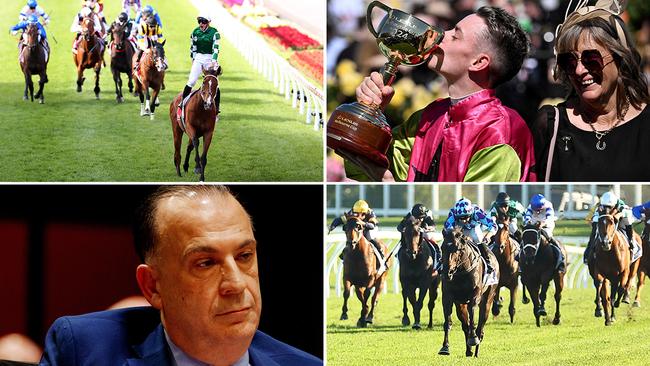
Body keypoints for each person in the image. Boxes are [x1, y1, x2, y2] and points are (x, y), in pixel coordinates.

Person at [40, 185, 322, 366]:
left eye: (244, 256)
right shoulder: (83, 350)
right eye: (206, 263)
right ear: (153, 287)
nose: (236, 284)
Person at [347, 6, 536, 182]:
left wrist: (387, 183)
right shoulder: (430, 115)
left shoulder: (500, 132)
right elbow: (358, 167)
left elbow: (470, 210)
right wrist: (370, 114)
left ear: (479, 62)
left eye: (455, 36)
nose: (441, 35)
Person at [533, 1, 650, 181]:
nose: (579, 70)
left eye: (591, 59)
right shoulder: (550, 124)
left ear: (619, 58)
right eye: (569, 62)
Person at [177, 13, 222, 121]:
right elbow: (193, 47)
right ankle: (182, 105)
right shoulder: (195, 32)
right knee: (191, 81)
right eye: (200, 21)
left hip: (210, 58)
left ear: (208, 22)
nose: (201, 24)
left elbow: (215, 48)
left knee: (214, 84)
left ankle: (216, 110)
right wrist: (193, 59)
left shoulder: (214, 33)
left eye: (204, 21)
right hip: (199, 58)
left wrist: (214, 61)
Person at [328, 199, 387, 273]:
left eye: (361, 214)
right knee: (351, 239)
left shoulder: (371, 213)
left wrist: (363, 223)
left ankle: (381, 257)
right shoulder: (352, 212)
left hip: (369, 228)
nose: (358, 215)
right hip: (358, 229)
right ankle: (345, 255)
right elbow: (339, 219)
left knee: (370, 238)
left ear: (365, 212)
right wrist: (332, 226)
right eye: (356, 213)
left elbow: (372, 225)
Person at [443, 198, 496, 273]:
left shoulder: (477, 212)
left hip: (474, 229)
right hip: (459, 230)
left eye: (465, 217)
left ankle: (488, 262)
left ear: (471, 213)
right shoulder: (453, 214)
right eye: (460, 218)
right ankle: (442, 262)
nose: (464, 221)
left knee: (477, 238)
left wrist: (488, 236)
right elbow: (447, 229)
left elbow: (493, 225)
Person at [584, 191, 636, 263]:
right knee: (595, 228)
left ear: (614, 205)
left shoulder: (620, 205)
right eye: (605, 207)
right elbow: (594, 217)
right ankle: (588, 251)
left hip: (621, 220)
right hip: (606, 222)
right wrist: (595, 219)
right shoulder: (600, 206)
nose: (607, 210)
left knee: (628, 221)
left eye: (610, 207)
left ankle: (632, 244)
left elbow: (628, 212)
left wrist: (619, 214)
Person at [523, 194, 566, 272]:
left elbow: (549, 218)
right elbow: (527, 217)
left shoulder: (548, 205)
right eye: (535, 210)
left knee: (548, 236)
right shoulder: (530, 207)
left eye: (539, 210)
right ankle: (519, 258)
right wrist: (528, 222)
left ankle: (561, 258)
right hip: (534, 225)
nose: (537, 212)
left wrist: (543, 224)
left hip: (546, 225)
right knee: (527, 237)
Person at [397, 203, 442, 268]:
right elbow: (399, 227)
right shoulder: (409, 216)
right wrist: (404, 229)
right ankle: (400, 259)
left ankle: (437, 256)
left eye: (421, 218)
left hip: (423, 233)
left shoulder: (427, 215)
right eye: (417, 218)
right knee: (402, 243)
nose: (420, 220)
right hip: (413, 234)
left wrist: (426, 229)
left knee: (430, 238)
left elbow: (433, 226)